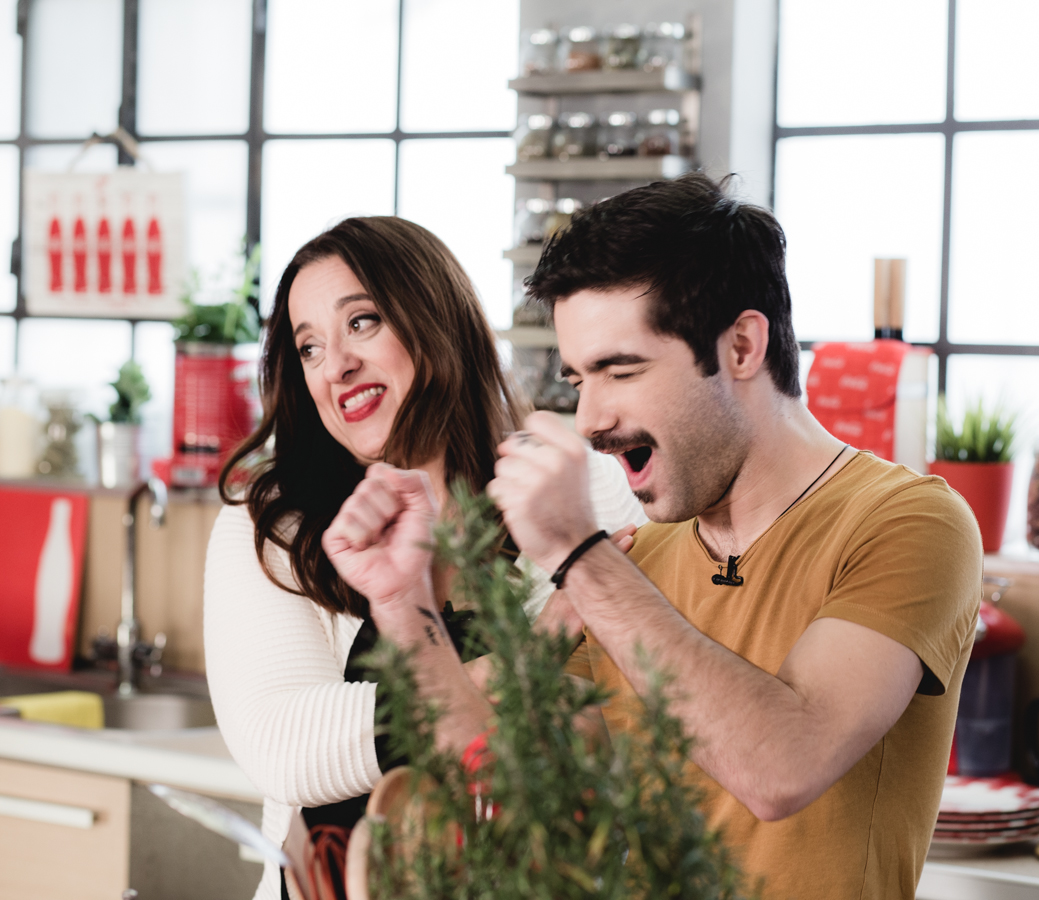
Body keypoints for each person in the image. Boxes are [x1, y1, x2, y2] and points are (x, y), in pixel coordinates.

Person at [321, 175, 982, 900]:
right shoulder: (642, 561)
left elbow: (784, 766)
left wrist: (577, 555)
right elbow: (498, 783)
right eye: (579, 380)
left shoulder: (907, 522)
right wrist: (401, 600)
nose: (590, 420)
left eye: (620, 370)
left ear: (741, 346)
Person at [203, 216, 645, 900]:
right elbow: (285, 750)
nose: (336, 365)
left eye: (362, 323)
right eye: (309, 347)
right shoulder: (270, 526)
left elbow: (626, 727)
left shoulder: (580, 486)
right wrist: (527, 659)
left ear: (436, 318)